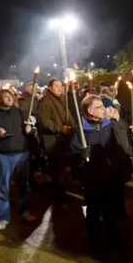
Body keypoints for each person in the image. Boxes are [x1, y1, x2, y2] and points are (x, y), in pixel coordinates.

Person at [71, 95, 133, 246]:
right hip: (92, 178)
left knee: (110, 208)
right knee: (93, 209)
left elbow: (122, 144)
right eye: (100, 107)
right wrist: (80, 155)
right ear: (90, 110)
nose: (104, 110)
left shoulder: (109, 125)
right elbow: (72, 154)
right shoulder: (81, 130)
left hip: (110, 174)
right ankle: (94, 236)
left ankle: (112, 233)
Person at [0, 88, 36, 230]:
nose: (8, 98)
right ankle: (4, 217)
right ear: (0, 99)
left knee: (23, 185)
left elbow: (32, 131)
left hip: (21, 154)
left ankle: (23, 211)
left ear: (14, 98)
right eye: (4, 97)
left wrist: (30, 130)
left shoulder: (22, 113)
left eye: (10, 96)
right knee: (4, 187)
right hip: (3, 155)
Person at [37, 79, 75, 212]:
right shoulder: (45, 101)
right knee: (59, 172)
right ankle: (61, 200)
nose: (60, 89)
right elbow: (44, 121)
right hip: (53, 142)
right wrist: (60, 128)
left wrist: (74, 128)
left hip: (64, 140)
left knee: (64, 171)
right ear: (50, 88)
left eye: (61, 86)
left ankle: (63, 195)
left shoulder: (61, 99)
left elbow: (68, 116)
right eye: (57, 86)